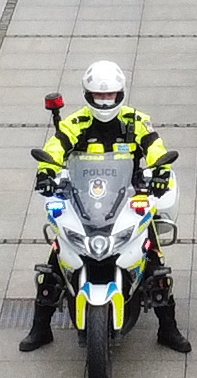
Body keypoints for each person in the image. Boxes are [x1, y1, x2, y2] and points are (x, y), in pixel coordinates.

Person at [25, 60, 186, 353]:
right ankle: (40, 328)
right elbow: (55, 148)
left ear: (120, 94)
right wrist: (46, 172)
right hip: (83, 198)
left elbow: (155, 147)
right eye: (99, 96)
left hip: (127, 196)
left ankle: (168, 328)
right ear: (88, 95)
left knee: (154, 260)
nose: (104, 101)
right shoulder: (75, 122)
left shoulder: (135, 121)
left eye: (110, 95)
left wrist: (160, 172)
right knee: (55, 260)